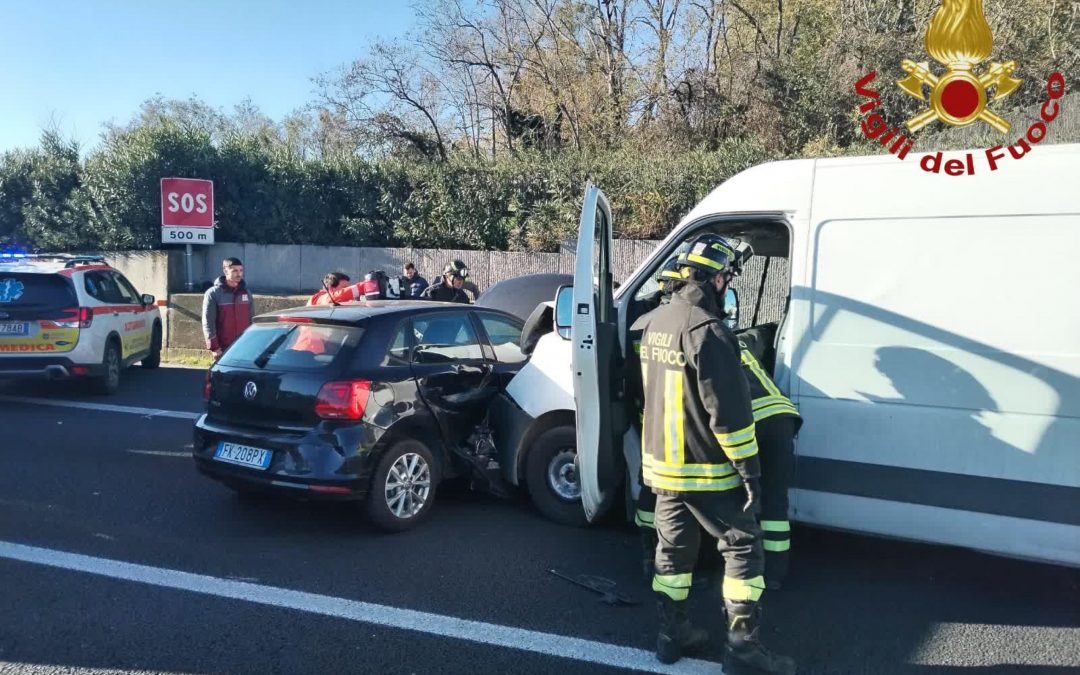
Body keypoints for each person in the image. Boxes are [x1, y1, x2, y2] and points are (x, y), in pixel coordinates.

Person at [631, 233, 795, 674]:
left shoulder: (654, 323)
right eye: (727, 276)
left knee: (673, 556)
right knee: (743, 549)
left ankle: (672, 635)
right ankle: (743, 651)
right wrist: (751, 475)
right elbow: (730, 416)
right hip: (708, 472)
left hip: (663, 472)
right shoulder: (710, 331)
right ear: (719, 278)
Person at [202, 257, 255, 360]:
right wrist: (214, 347)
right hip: (223, 349)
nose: (239, 274)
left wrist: (252, 344)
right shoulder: (213, 294)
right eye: (234, 270)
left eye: (241, 270)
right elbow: (208, 322)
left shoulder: (246, 293)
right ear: (225, 271)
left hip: (243, 346)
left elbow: (251, 320)